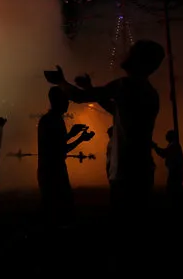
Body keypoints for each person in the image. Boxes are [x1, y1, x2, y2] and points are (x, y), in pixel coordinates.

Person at [44, 39, 165, 224]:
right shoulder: (149, 92)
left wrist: (61, 82)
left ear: (139, 60)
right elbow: (116, 110)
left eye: (132, 52)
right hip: (141, 169)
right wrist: (91, 89)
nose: (126, 53)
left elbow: (79, 97)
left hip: (125, 169)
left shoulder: (125, 85)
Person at [37, 86, 94, 226]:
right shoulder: (56, 121)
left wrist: (71, 134)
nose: (68, 103)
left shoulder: (47, 119)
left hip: (46, 171)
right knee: (62, 213)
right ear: (59, 101)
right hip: (54, 172)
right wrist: (81, 139)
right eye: (66, 100)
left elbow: (54, 144)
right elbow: (61, 149)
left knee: (51, 213)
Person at [152, 130, 183, 201]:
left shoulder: (173, 145)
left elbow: (164, 153)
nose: (166, 136)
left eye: (167, 135)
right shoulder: (174, 145)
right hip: (176, 171)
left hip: (175, 172)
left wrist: (155, 147)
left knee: (173, 188)